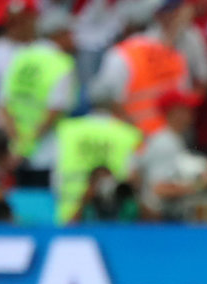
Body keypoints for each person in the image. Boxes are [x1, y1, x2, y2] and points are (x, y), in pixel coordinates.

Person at [95, 0, 191, 137]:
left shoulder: (120, 54)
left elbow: (106, 100)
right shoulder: (172, 53)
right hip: (167, 139)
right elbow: (183, 98)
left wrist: (139, 133)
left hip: (130, 140)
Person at [0, 7, 78, 187]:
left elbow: (4, 106)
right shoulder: (61, 64)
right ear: (59, 34)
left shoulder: (20, 57)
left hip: (16, 153)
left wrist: (19, 145)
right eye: (71, 34)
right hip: (48, 154)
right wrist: (28, 145)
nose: (75, 40)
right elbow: (53, 112)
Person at [53, 77, 143, 225]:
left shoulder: (67, 129)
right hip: (116, 215)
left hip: (68, 212)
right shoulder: (128, 133)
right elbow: (133, 176)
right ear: (113, 103)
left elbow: (54, 175)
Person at [136, 89, 207, 221]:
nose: (192, 114)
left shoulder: (173, 139)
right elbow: (159, 189)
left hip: (163, 218)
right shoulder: (165, 143)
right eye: (187, 109)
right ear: (174, 112)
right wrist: (200, 184)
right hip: (157, 222)